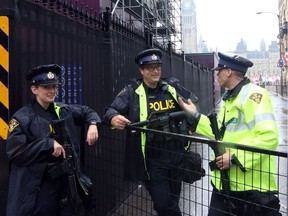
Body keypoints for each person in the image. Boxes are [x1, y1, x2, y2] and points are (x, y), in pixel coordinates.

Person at [179, 52, 281, 216]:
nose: (216, 74)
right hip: (226, 184)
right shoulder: (230, 98)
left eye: (218, 70)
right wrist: (195, 115)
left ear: (228, 72)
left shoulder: (254, 95)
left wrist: (235, 158)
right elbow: (219, 133)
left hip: (251, 189)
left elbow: (269, 137)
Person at [103, 48, 197, 216]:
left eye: (157, 67)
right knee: (163, 204)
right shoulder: (132, 91)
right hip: (153, 158)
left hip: (176, 154)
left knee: (172, 201)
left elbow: (192, 107)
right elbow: (110, 110)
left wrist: (191, 127)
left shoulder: (171, 87)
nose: (155, 71)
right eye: (150, 67)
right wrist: (113, 118)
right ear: (142, 70)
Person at [6, 64, 101, 216]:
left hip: (67, 183)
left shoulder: (62, 110)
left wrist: (93, 124)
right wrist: (47, 144)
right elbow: (15, 152)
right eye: (46, 87)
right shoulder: (22, 118)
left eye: (54, 87)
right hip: (40, 188)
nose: (52, 91)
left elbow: (87, 112)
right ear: (34, 89)